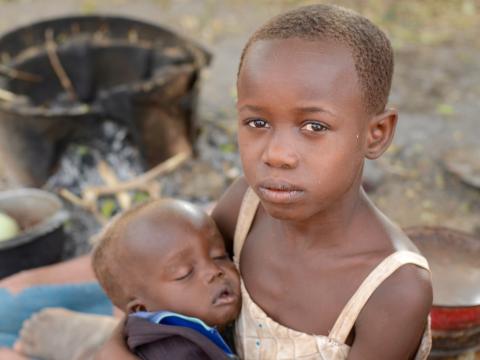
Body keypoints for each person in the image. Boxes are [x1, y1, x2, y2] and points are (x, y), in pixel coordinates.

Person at [2, 4, 432, 360]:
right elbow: (142, 295)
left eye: (314, 127)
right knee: (20, 315)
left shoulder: (393, 291)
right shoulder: (247, 207)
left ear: (376, 134)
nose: (276, 154)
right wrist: (115, 345)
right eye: (257, 122)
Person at [91, 198, 240, 360]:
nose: (214, 271)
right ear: (142, 310)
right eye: (185, 273)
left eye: (219, 256)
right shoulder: (175, 351)